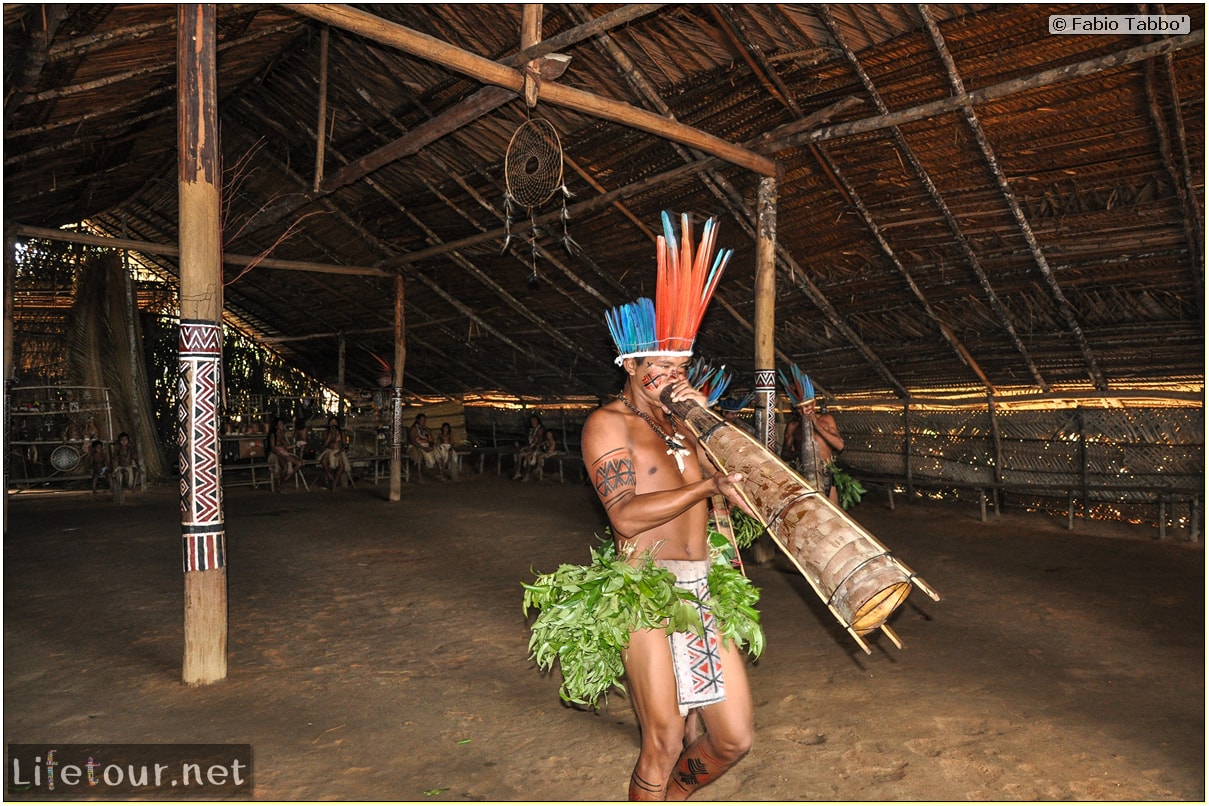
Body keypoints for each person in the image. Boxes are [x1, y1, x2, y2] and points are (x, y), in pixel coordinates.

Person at [579, 212, 758, 801]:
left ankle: (673, 796)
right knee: (665, 738)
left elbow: (730, 492)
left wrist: (704, 425)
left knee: (732, 738)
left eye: (679, 369)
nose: (669, 380)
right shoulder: (608, 425)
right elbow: (627, 516)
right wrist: (705, 488)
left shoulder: (690, 423)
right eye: (658, 369)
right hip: (643, 586)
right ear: (630, 366)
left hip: (703, 584)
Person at [778, 364, 845, 506]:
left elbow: (840, 446)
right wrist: (801, 455)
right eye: (800, 409)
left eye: (807, 406)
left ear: (814, 403)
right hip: (803, 473)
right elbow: (784, 453)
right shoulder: (793, 426)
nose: (804, 412)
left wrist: (817, 427)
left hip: (827, 472)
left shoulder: (827, 420)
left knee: (833, 512)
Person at [268, 416, 303, 487]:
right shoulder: (273, 435)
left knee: (299, 463)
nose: (282, 425)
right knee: (285, 467)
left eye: (282, 424)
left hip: (284, 452)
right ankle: (281, 485)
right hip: (276, 454)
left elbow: (286, 447)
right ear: (276, 426)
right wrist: (284, 456)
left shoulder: (283, 434)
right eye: (280, 424)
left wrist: (296, 445)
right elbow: (273, 448)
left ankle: (286, 478)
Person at [320, 415, 352, 489]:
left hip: (339, 451)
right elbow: (325, 444)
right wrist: (330, 436)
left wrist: (339, 452)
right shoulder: (327, 432)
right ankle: (331, 478)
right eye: (331, 422)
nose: (333, 424)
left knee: (341, 466)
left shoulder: (341, 433)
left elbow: (344, 445)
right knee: (324, 462)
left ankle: (334, 482)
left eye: (334, 422)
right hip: (330, 451)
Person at [512, 413, 545, 480]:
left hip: (538, 448)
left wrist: (532, 448)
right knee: (519, 454)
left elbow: (540, 442)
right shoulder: (530, 430)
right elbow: (529, 441)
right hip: (530, 447)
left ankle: (527, 474)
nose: (533, 422)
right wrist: (526, 447)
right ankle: (518, 472)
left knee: (528, 456)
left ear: (537, 421)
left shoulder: (540, 430)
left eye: (534, 420)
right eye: (531, 421)